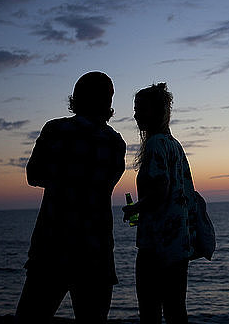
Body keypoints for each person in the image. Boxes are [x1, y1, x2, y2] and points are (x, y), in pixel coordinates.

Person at [16, 72, 126, 324]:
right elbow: (107, 183)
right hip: (96, 252)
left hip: (51, 247)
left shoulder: (55, 130)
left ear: (76, 98)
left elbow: (33, 175)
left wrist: (61, 179)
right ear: (108, 102)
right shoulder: (115, 143)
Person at [122, 83, 197, 324]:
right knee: (176, 310)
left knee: (150, 311)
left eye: (141, 109)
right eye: (135, 109)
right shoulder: (174, 145)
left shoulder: (155, 144)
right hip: (178, 242)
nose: (136, 115)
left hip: (157, 243)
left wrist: (135, 208)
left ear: (157, 112)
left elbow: (160, 191)